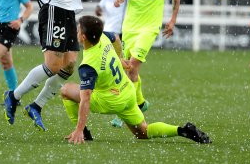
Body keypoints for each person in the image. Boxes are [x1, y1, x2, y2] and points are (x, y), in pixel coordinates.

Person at [61, 15, 211, 144]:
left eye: (78, 29)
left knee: (66, 90)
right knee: (143, 132)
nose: (76, 31)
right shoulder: (104, 37)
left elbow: (85, 99)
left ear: (83, 37)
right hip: (128, 92)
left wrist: (79, 129)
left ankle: (83, 134)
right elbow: (116, 38)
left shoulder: (88, 65)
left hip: (111, 100)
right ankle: (182, 130)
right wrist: (120, 57)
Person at [4, 0, 83, 131]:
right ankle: (13, 95)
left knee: (69, 64)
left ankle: (36, 106)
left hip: (68, 13)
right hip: (53, 11)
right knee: (53, 65)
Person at [113, 0, 180, 126]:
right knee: (129, 71)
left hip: (149, 28)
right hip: (130, 26)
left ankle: (125, 108)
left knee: (132, 67)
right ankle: (140, 102)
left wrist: (172, 21)